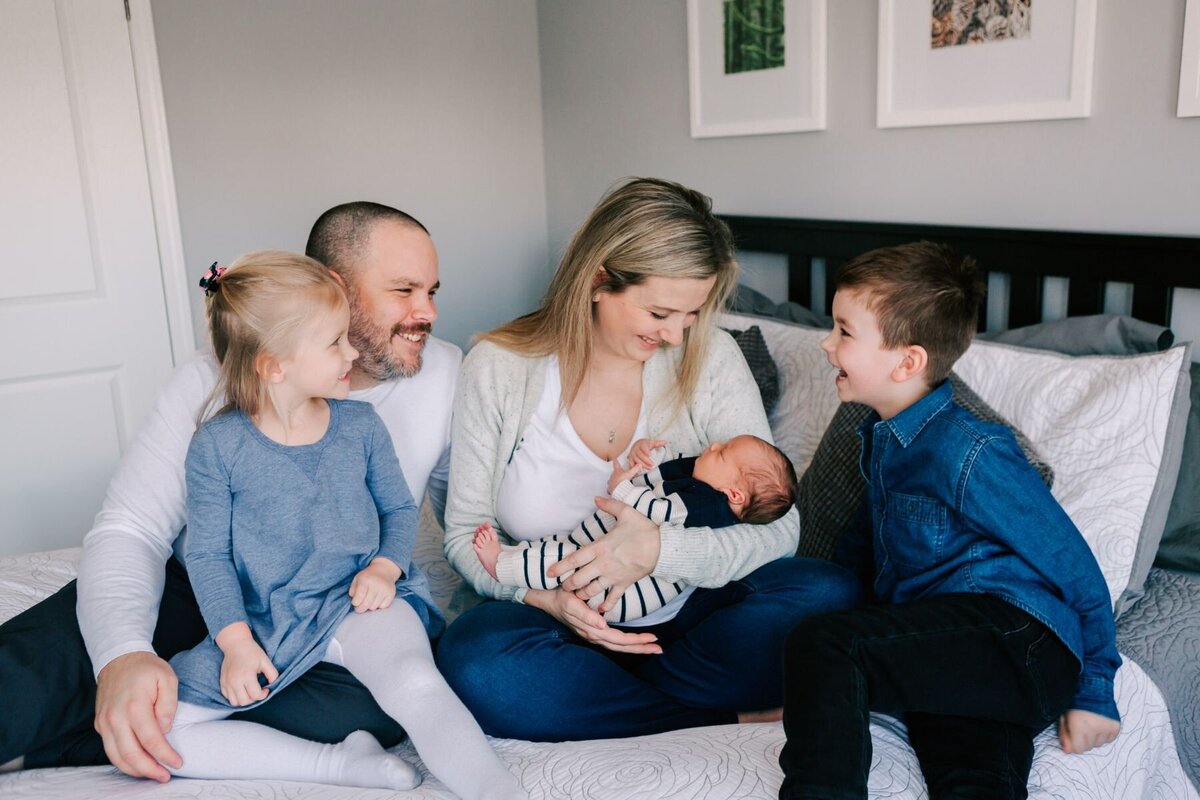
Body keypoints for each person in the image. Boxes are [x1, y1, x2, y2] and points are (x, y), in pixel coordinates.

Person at [0, 202, 460, 783]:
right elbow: (132, 527)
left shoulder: (443, 373)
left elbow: (463, 516)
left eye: (433, 290)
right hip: (195, 588)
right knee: (22, 683)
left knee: (382, 703)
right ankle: (93, 715)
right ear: (337, 289)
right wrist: (122, 654)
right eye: (405, 290)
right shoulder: (213, 378)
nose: (429, 313)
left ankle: (84, 742)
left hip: (327, 612)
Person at [436, 177, 863, 742]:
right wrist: (548, 600)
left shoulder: (710, 356)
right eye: (660, 312)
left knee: (827, 591)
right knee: (475, 657)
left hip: (683, 611)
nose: (674, 335)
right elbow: (466, 535)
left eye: (691, 315)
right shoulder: (497, 367)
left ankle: (607, 696)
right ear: (597, 279)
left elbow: (780, 529)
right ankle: (710, 712)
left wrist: (658, 549)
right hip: (557, 615)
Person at [157, 253, 521, 797]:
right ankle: (338, 766)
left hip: (359, 601)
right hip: (268, 620)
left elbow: (399, 511)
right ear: (273, 365)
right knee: (162, 732)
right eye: (335, 343)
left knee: (416, 683)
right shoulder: (217, 445)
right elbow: (208, 556)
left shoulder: (360, 425)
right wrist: (234, 642)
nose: (353, 353)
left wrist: (384, 567)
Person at [777, 242, 1121, 800]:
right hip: (963, 665)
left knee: (825, 644)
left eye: (844, 331)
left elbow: (1073, 565)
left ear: (907, 361)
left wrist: (1096, 692)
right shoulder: (880, 442)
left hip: (1018, 638)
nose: (825, 343)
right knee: (972, 778)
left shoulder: (968, 449)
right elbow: (866, 566)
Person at [473, 434, 798, 623]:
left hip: (626, 596)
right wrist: (649, 454)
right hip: (598, 554)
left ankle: (504, 567)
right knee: (558, 547)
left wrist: (621, 488)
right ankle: (521, 567)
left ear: (735, 495)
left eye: (722, 453)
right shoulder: (706, 482)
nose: (713, 446)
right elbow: (666, 471)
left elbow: (659, 509)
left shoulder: (707, 504)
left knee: (564, 559)